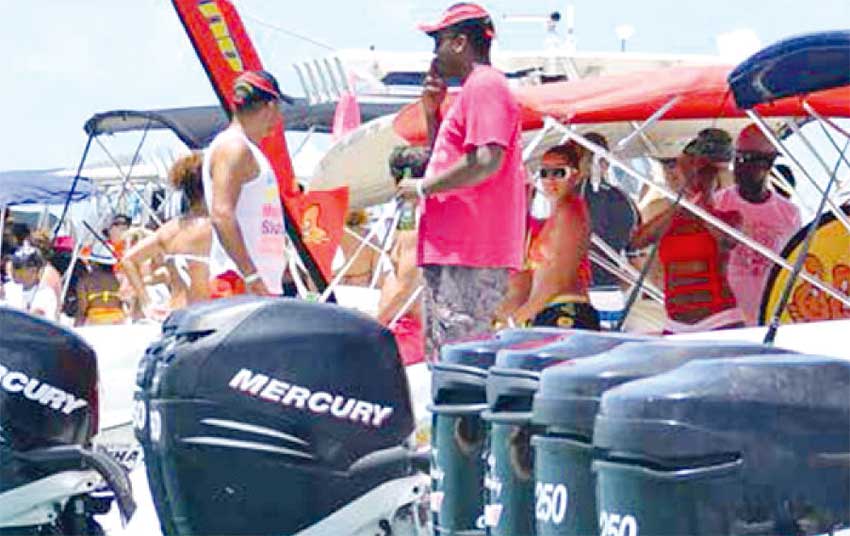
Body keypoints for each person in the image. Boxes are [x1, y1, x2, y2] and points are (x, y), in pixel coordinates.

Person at [397, 3, 525, 358]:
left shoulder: (485, 85)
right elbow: (454, 159)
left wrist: (423, 188)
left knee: (460, 358)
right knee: (446, 356)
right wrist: (431, 110)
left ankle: (464, 417)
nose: (434, 54)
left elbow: (487, 160)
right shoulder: (473, 89)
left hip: (469, 248)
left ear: (458, 43)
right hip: (456, 247)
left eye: (437, 42)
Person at [631, 146, 745, 334]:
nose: (679, 176)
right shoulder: (668, 218)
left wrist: (704, 197)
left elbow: (726, 240)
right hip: (676, 320)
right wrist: (680, 204)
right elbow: (637, 241)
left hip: (718, 318)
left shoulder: (730, 217)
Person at [203, 70, 290, 298]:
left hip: (257, 284)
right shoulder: (234, 148)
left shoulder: (247, 149)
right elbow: (222, 213)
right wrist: (250, 274)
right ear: (271, 107)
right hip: (240, 283)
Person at [495, 143, 599, 328]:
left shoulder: (570, 211)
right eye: (545, 173)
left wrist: (517, 319)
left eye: (559, 173)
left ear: (574, 175)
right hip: (549, 309)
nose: (551, 180)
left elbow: (558, 280)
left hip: (564, 309)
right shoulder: (556, 215)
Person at [715, 125, 802, 325]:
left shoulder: (789, 213)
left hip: (768, 315)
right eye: (736, 158)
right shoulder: (718, 204)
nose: (739, 166)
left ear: (768, 164)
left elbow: (791, 264)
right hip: (726, 319)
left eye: (748, 159)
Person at [122, 152, 211, 316]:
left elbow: (129, 260)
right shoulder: (220, 226)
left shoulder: (170, 230)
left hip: (177, 315)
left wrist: (146, 303)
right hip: (214, 314)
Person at [380, 146, 431, 366]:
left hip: (405, 333)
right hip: (410, 329)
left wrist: (373, 323)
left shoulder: (415, 226)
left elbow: (404, 286)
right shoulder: (415, 219)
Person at [577, 132, 640, 287]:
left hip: (585, 286)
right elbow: (634, 258)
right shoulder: (623, 199)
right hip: (608, 285)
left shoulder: (568, 198)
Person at [9, 243, 58, 319]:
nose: (15, 272)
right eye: (14, 267)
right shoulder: (8, 288)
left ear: (33, 270)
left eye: (19, 268)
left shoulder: (46, 294)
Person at [336, 209, 382, 287]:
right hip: (336, 283)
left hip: (361, 284)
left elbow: (378, 267)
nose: (353, 215)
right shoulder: (332, 234)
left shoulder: (371, 235)